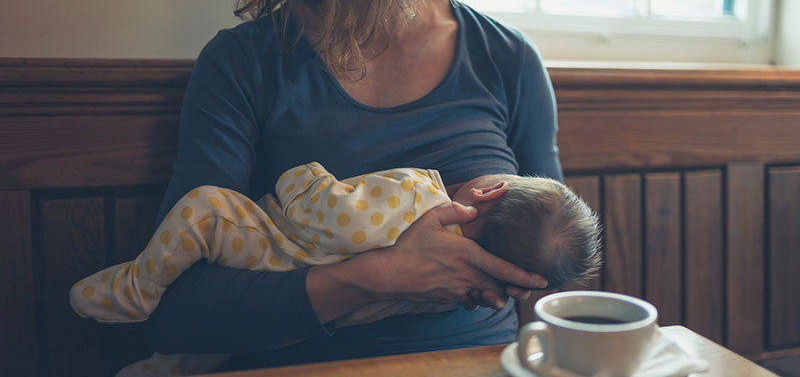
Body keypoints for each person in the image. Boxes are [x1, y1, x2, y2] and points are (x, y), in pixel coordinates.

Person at [142, 0, 563, 371]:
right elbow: (175, 313)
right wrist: (378, 279)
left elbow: (553, 272)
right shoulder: (244, 63)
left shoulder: (508, 58)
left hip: (477, 364)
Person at [71, 162, 600, 327]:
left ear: (489, 192)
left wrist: (302, 176)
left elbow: (321, 212)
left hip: (267, 250)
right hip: (310, 328)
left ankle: (135, 289)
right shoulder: (454, 289)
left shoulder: (420, 193)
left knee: (205, 208)